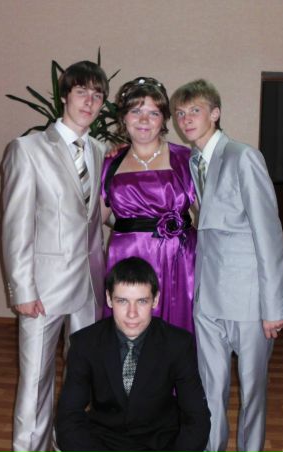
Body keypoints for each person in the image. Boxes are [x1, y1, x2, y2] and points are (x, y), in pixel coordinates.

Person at [170, 79, 283, 452]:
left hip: (249, 301)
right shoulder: (193, 162)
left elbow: (269, 234)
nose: (186, 119)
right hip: (208, 300)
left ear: (215, 113)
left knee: (253, 393)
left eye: (195, 110)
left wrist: (274, 306)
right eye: (180, 113)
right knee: (209, 390)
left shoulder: (243, 157)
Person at [1, 60, 109, 452]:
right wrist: (22, 289)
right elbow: (16, 225)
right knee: (35, 382)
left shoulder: (99, 151)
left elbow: (97, 215)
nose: (89, 101)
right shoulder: (27, 149)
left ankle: (70, 442)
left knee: (83, 377)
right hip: (43, 288)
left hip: (89, 287)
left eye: (97, 95)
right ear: (64, 96)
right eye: (81, 92)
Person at [56, 257, 211, 452]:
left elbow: (197, 417)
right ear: (109, 299)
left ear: (155, 300)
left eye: (142, 301)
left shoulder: (178, 344)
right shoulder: (85, 343)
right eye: (122, 301)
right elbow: (68, 417)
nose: (132, 313)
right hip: (104, 442)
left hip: (161, 442)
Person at [100, 76, 197, 333]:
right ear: (124, 117)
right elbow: (94, 218)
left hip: (177, 260)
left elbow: (212, 214)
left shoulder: (185, 159)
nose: (144, 120)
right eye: (136, 111)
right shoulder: (110, 162)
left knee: (175, 333)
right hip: (127, 258)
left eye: (153, 113)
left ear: (163, 120)